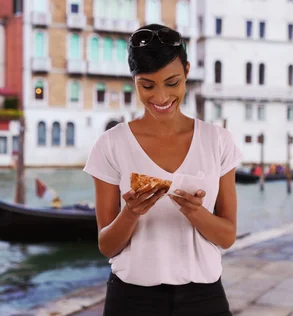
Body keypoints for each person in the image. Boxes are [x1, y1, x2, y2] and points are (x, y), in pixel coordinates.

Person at [83, 24, 242, 316]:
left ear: (187, 72)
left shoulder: (217, 141)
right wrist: (130, 213)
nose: (161, 97)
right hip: (132, 300)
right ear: (134, 81)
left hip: (204, 298)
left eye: (172, 83)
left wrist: (195, 211)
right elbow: (107, 245)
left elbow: (227, 236)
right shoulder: (110, 145)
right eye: (147, 85)